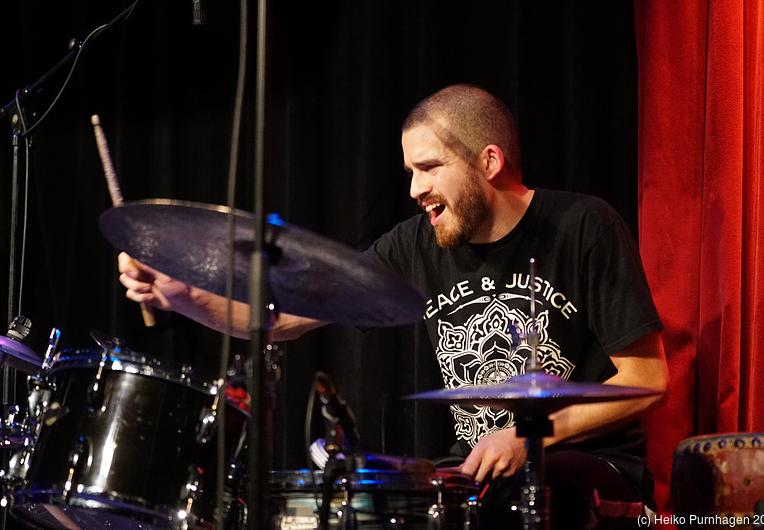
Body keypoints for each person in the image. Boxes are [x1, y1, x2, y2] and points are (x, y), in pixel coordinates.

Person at [118, 84, 669, 529]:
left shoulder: (583, 227)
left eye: (429, 168)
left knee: (521, 495)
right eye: (410, 171)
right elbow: (282, 319)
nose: (414, 189)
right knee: (369, 502)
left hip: (593, 473)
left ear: (490, 161)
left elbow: (648, 379)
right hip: (478, 470)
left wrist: (533, 437)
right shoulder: (413, 244)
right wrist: (181, 294)